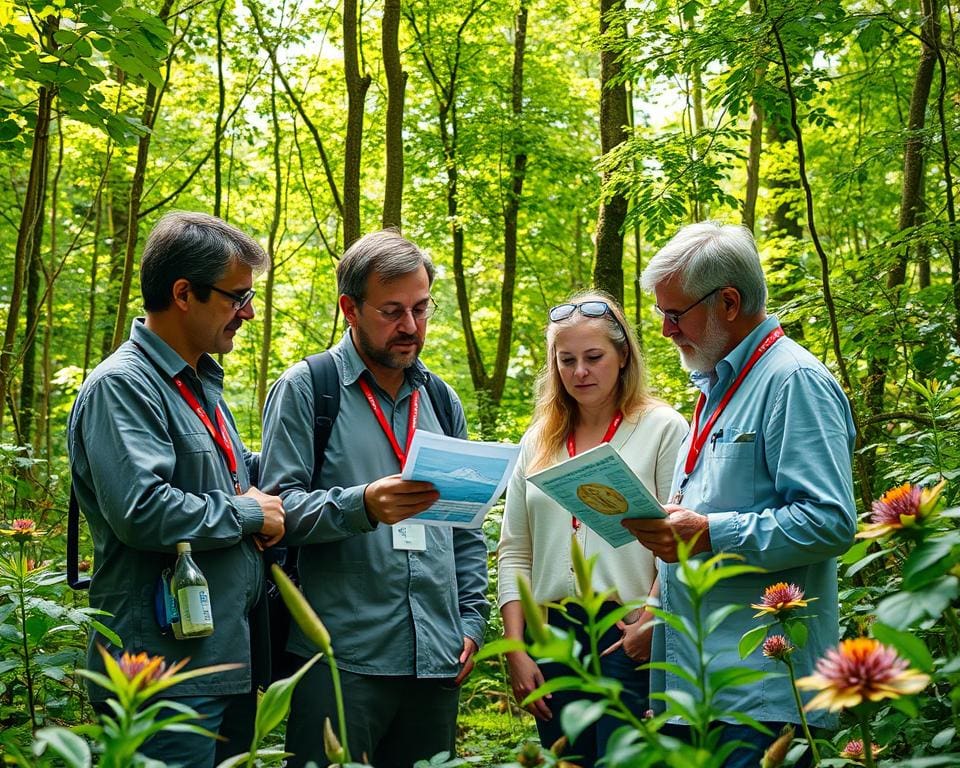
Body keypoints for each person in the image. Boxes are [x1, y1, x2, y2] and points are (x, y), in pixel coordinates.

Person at [626, 221, 857, 767]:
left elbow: (829, 521)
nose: (663, 330)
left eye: (674, 314)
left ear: (728, 301)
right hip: (702, 693)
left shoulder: (792, 381)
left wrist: (709, 532)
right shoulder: (716, 386)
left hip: (765, 698)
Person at [259, 230, 489, 768]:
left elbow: (465, 526)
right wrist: (360, 505)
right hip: (341, 659)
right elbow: (275, 512)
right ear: (350, 309)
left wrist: (472, 622)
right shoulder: (307, 388)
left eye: (421, 308)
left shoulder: (440, 398)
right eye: (392, 311)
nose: (411, 326)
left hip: (436, 657)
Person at [67, 211, 286, 766]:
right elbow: (142, 510)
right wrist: (249, 514)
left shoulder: (198, 382)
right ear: (184, 293)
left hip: (221, 661)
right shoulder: (123, 386)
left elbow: (225, 477)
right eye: (238, 298)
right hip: (160, 674)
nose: (249, 312)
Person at [497, 291, 687, 767]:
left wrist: (653, 618)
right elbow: (515, 551)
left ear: (623, 356)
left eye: (594, 357)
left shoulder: (663, 428)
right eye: (567, 360)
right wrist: (518, 650)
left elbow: (677, 540)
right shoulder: (538, 439)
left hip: (627, 632)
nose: (580, 371)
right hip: (551, 637)